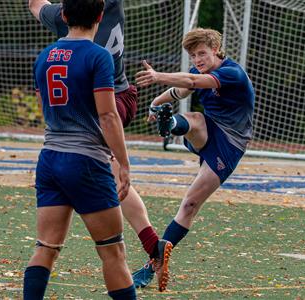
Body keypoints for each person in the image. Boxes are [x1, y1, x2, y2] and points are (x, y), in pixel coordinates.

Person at [28, 0, 172, 292]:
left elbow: (46, 103)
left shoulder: (44, 55)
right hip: (85, 161)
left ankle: (151, 241)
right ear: (100, 15)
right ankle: (150, 241)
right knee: (112, 251)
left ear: (63, 15)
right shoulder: (98, 55)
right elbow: (107, 116)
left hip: (50, 157)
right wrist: (125, 164)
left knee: (46, 247)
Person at [132, 28, 255, 287]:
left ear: (215, 50)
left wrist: (157, 76)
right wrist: (155, 104)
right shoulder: (198, 74)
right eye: (193, 55)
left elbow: (191, 83)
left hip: (230, 145)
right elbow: (178, 91)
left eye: (202, 53)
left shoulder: (231, 73)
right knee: (196, 119)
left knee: (189, 206)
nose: (198, 59)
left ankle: (154, 263)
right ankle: (170, 123)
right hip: (207, 133)